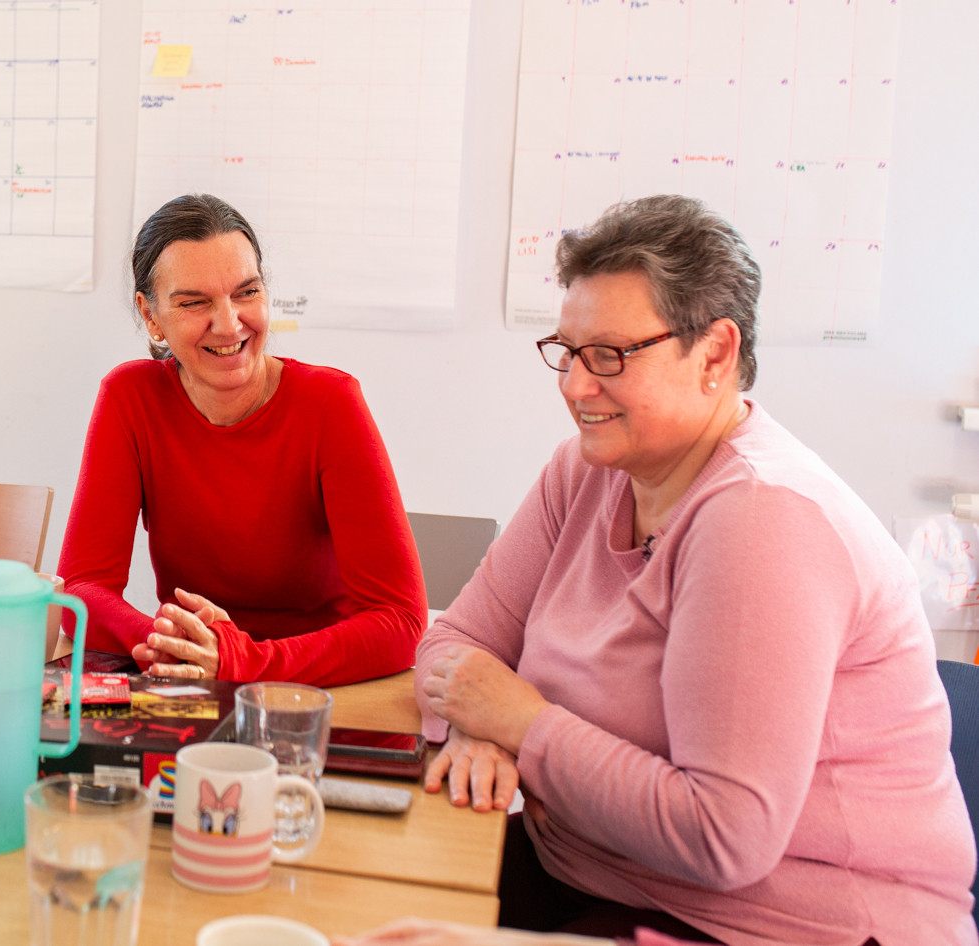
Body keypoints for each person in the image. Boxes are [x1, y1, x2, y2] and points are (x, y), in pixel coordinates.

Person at [405, 196, 976, 945]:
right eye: (568, 351)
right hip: (597, 874)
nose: (575, 387)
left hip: (783, 925)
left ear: (714, 354)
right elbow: (456, 643)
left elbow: (723, 837)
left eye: (609, 355)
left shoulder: (761, 520)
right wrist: (475, 730)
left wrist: (522, 722)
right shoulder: (584, 473)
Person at [56, 194, 426, 686]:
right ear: (150, 316)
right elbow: (80, 590)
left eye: (246, 293)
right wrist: (171, 647)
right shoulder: (130, 398)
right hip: (195, 685)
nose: (229, 323)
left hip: (315, 692)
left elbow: (400, 621)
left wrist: (242, 661)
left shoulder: (331, 403)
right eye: (194, 302)